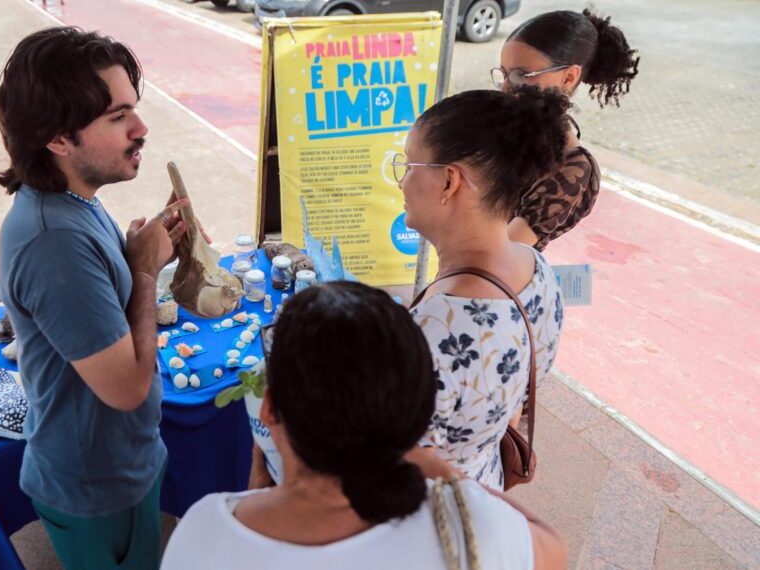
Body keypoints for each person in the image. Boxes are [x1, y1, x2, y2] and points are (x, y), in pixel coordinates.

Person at [162, 282, 567, 569]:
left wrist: (254, 498)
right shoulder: (472, 526)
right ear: (414, 415)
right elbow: (551, 549)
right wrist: (435, 467)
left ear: (268, 408)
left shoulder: (205, 534)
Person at [0, 27, 189, 569]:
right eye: (117, 116)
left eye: (134, 109)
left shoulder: (75, 201)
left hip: (122, 466)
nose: (141, 128)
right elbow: (126, 388)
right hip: (94, 488)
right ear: (58, 139)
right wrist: (146, 272)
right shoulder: (53, 242)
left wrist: (139, 257)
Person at [396, 87, 567, 489]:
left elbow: (393, 462)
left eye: (408, 165)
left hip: (433, 521)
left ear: (449, 181)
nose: (402, 182)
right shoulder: (537, 270)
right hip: (485, 489)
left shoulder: (435, 330)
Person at [492, 9, 640, 250]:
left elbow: (497, 254)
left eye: (521, 75)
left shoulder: (573, 168)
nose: (506, 87)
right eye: (504, 74)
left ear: (569, 77)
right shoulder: (501, 127)